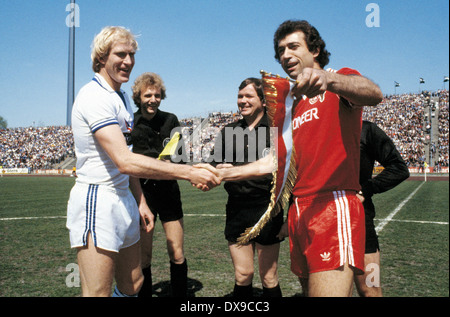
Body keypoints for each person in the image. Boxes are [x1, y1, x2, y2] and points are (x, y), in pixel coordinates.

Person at [204, 20, 383, 297]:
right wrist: (223, 174)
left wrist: (330, 80)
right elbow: (275, 163)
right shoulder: (289, 106)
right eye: (280, 50)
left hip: (332, 205)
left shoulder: (339, 80)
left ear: (315, 50)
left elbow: (374, 94)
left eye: (293, 46)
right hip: (298, 211)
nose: (285, 55)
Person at [66, 26, 220, 297]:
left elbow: (126, 160)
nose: (128, 61)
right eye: (120, 54)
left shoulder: (121, 97)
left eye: (132, 54)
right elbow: (124, 161)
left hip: (124, 197)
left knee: (134, 283)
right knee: (97, 291)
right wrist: (188, 171)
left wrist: (140, 201)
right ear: (101, 57)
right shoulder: (94, 96)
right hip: (98, 199)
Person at [212, 78, 283, 297]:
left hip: (267, 209)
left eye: (248, 96)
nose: (242, 101)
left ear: (263, 101)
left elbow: (282, 168)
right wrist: (216, 168)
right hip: (237, 209)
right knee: (243, 274)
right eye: (240, 96)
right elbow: (215, 163)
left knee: (268, 276)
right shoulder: (228, 131)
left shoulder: (276, 129)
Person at [130, 72, 188, 297]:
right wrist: (157, 163)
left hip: (169, 192)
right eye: (147, 95)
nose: (153, 99)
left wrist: (161, 163)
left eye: (156, 95)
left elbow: (180, 156)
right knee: (144, 257)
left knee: (177, 252)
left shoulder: (171, 120)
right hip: (143, 196)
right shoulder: (131, 122)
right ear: (139, 97)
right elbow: (129, 163)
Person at [354, 120, 410, 296]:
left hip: (361, 220)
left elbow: (399, 168)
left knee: (370, 288)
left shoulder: (366, 129)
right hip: (326, 221)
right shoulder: (318, 127)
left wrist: (366, 190)